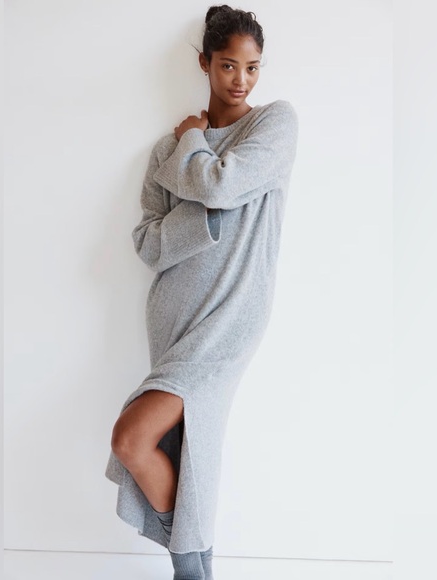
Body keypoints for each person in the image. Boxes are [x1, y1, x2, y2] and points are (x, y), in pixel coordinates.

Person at [105, 5, 298, 579]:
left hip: (232, 317)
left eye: (252, 67)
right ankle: (195, 570)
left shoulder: (273, 124)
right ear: (205, 64)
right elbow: (147, 242)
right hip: (172, 318)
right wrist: (206, 210)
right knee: (177, 455)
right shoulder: (164, 153)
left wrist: (193, 144)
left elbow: (220, 184)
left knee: (132, 437)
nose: (241, 80)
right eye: (228, 65)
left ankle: (193, 570)